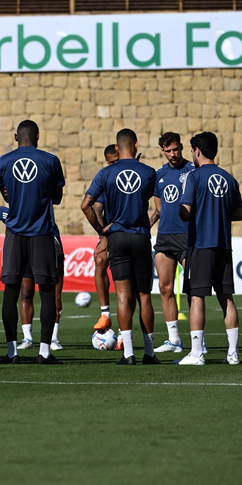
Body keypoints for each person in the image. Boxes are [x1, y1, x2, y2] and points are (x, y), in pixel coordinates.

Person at [82, 128, 158, 365]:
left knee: (123, 296)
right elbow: (160, 207)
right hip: (139, 236)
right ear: (135, 145)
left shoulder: (106, 173)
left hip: (117, 238)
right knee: (144, 295)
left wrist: (101, 230)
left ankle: (128, 355)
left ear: (116, 148)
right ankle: (149, 353)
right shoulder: (149, 173)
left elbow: (86, 205)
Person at [0, 120, 65, 365]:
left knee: (10, 291)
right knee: (47, 293)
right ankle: (45, 353)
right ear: (38, 136)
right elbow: (56, 198)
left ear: (16, 137)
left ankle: (12, 352)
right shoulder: (51, 161)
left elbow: (6, 193)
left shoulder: (2, 162)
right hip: (41, 232)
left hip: (14, 233)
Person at [179, 132, 242, 365]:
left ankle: (197, 353)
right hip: (224, 246)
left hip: (201, 245)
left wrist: (180, 209)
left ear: (197, 151)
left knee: (197, 296)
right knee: (226, 298)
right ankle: (233, 353)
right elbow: (237, 213)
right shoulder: (229, 178)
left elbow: (185, 210)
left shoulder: (193, 177)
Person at [150, 132, 194, 353]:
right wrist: (148, 224)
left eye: (175, 149)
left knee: (194, 288)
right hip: (165, 237)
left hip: (188, 237)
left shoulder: (192, 171)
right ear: (162, 151)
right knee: (164, 287)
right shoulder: (159, 174)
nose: (173, 154)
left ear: (181, 147)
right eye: (168, 151)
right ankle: (174, 339)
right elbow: (158, 208)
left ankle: (199, 341)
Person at [15, 220, 65, 351]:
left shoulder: (50, 227)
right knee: (26, 293)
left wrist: (59, 295)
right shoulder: (21, 224)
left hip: (45, 256)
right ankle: (27, 338)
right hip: (26, 253)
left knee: (51, 297)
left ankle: (53, 339)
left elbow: (59, 260)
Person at [93, 144, 119, 332]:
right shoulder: (106, 179)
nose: (115, 165)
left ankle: (124, 331)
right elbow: (95, 208)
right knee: (100, 260)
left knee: (125, 278)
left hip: (131, 233)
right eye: (111, 163)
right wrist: (103, 234)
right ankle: (105, 315)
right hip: (112, 234)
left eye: (117, 161)